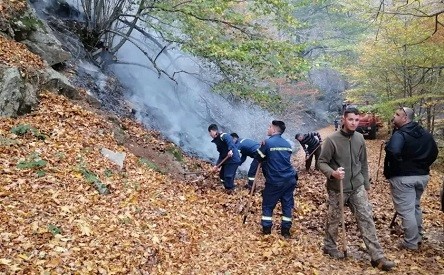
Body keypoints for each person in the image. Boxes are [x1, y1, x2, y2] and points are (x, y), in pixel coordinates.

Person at [318, 107, 395, 271]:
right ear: (344, 119)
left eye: (356, 120)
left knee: (366, 217)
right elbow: (321, 162)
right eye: (351, 119)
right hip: (337, 188)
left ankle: (377, 256)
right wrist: (332, 173)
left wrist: (366, 184)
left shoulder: (360, 138)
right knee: (334, 219)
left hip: (357, 186)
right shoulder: (332, 140)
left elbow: (363, 163)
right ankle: (330, 247)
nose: (354, 123)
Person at [383, 107, 438, 250]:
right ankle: (418, 237)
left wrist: (399, 165)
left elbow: (393, 151)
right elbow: (434, 152)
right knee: (415, 206)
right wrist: (423, 165)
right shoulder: (425, 133)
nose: (393, 116)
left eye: (397, 114)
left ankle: (411, 242)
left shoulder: (400, 134)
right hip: (422, 176)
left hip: (403, 178)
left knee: (407, 210)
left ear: (405, 118)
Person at [256, 120, 297, 238]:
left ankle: (267, 230)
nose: (268, 129)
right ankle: (285, 231)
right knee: (287, 204)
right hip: (290, 179)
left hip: (275, 180)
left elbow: (258, 157)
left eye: (269, 127)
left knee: (268, 205)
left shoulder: (267, 143)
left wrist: (262, 146)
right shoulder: (287, 145)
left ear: (274, 129)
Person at [208, 124, 241, 194]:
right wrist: (217, 166)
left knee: (228, 176)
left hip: (233, 160)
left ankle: (230, 190)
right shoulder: (217, 141)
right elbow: (221, 155)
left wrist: (230, 150)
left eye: (210, 133)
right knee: (222, 175)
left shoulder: (223, 136)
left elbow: (229, 140)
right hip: (226, 160)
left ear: (212, 131)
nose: (210, 135)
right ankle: (227, 186)